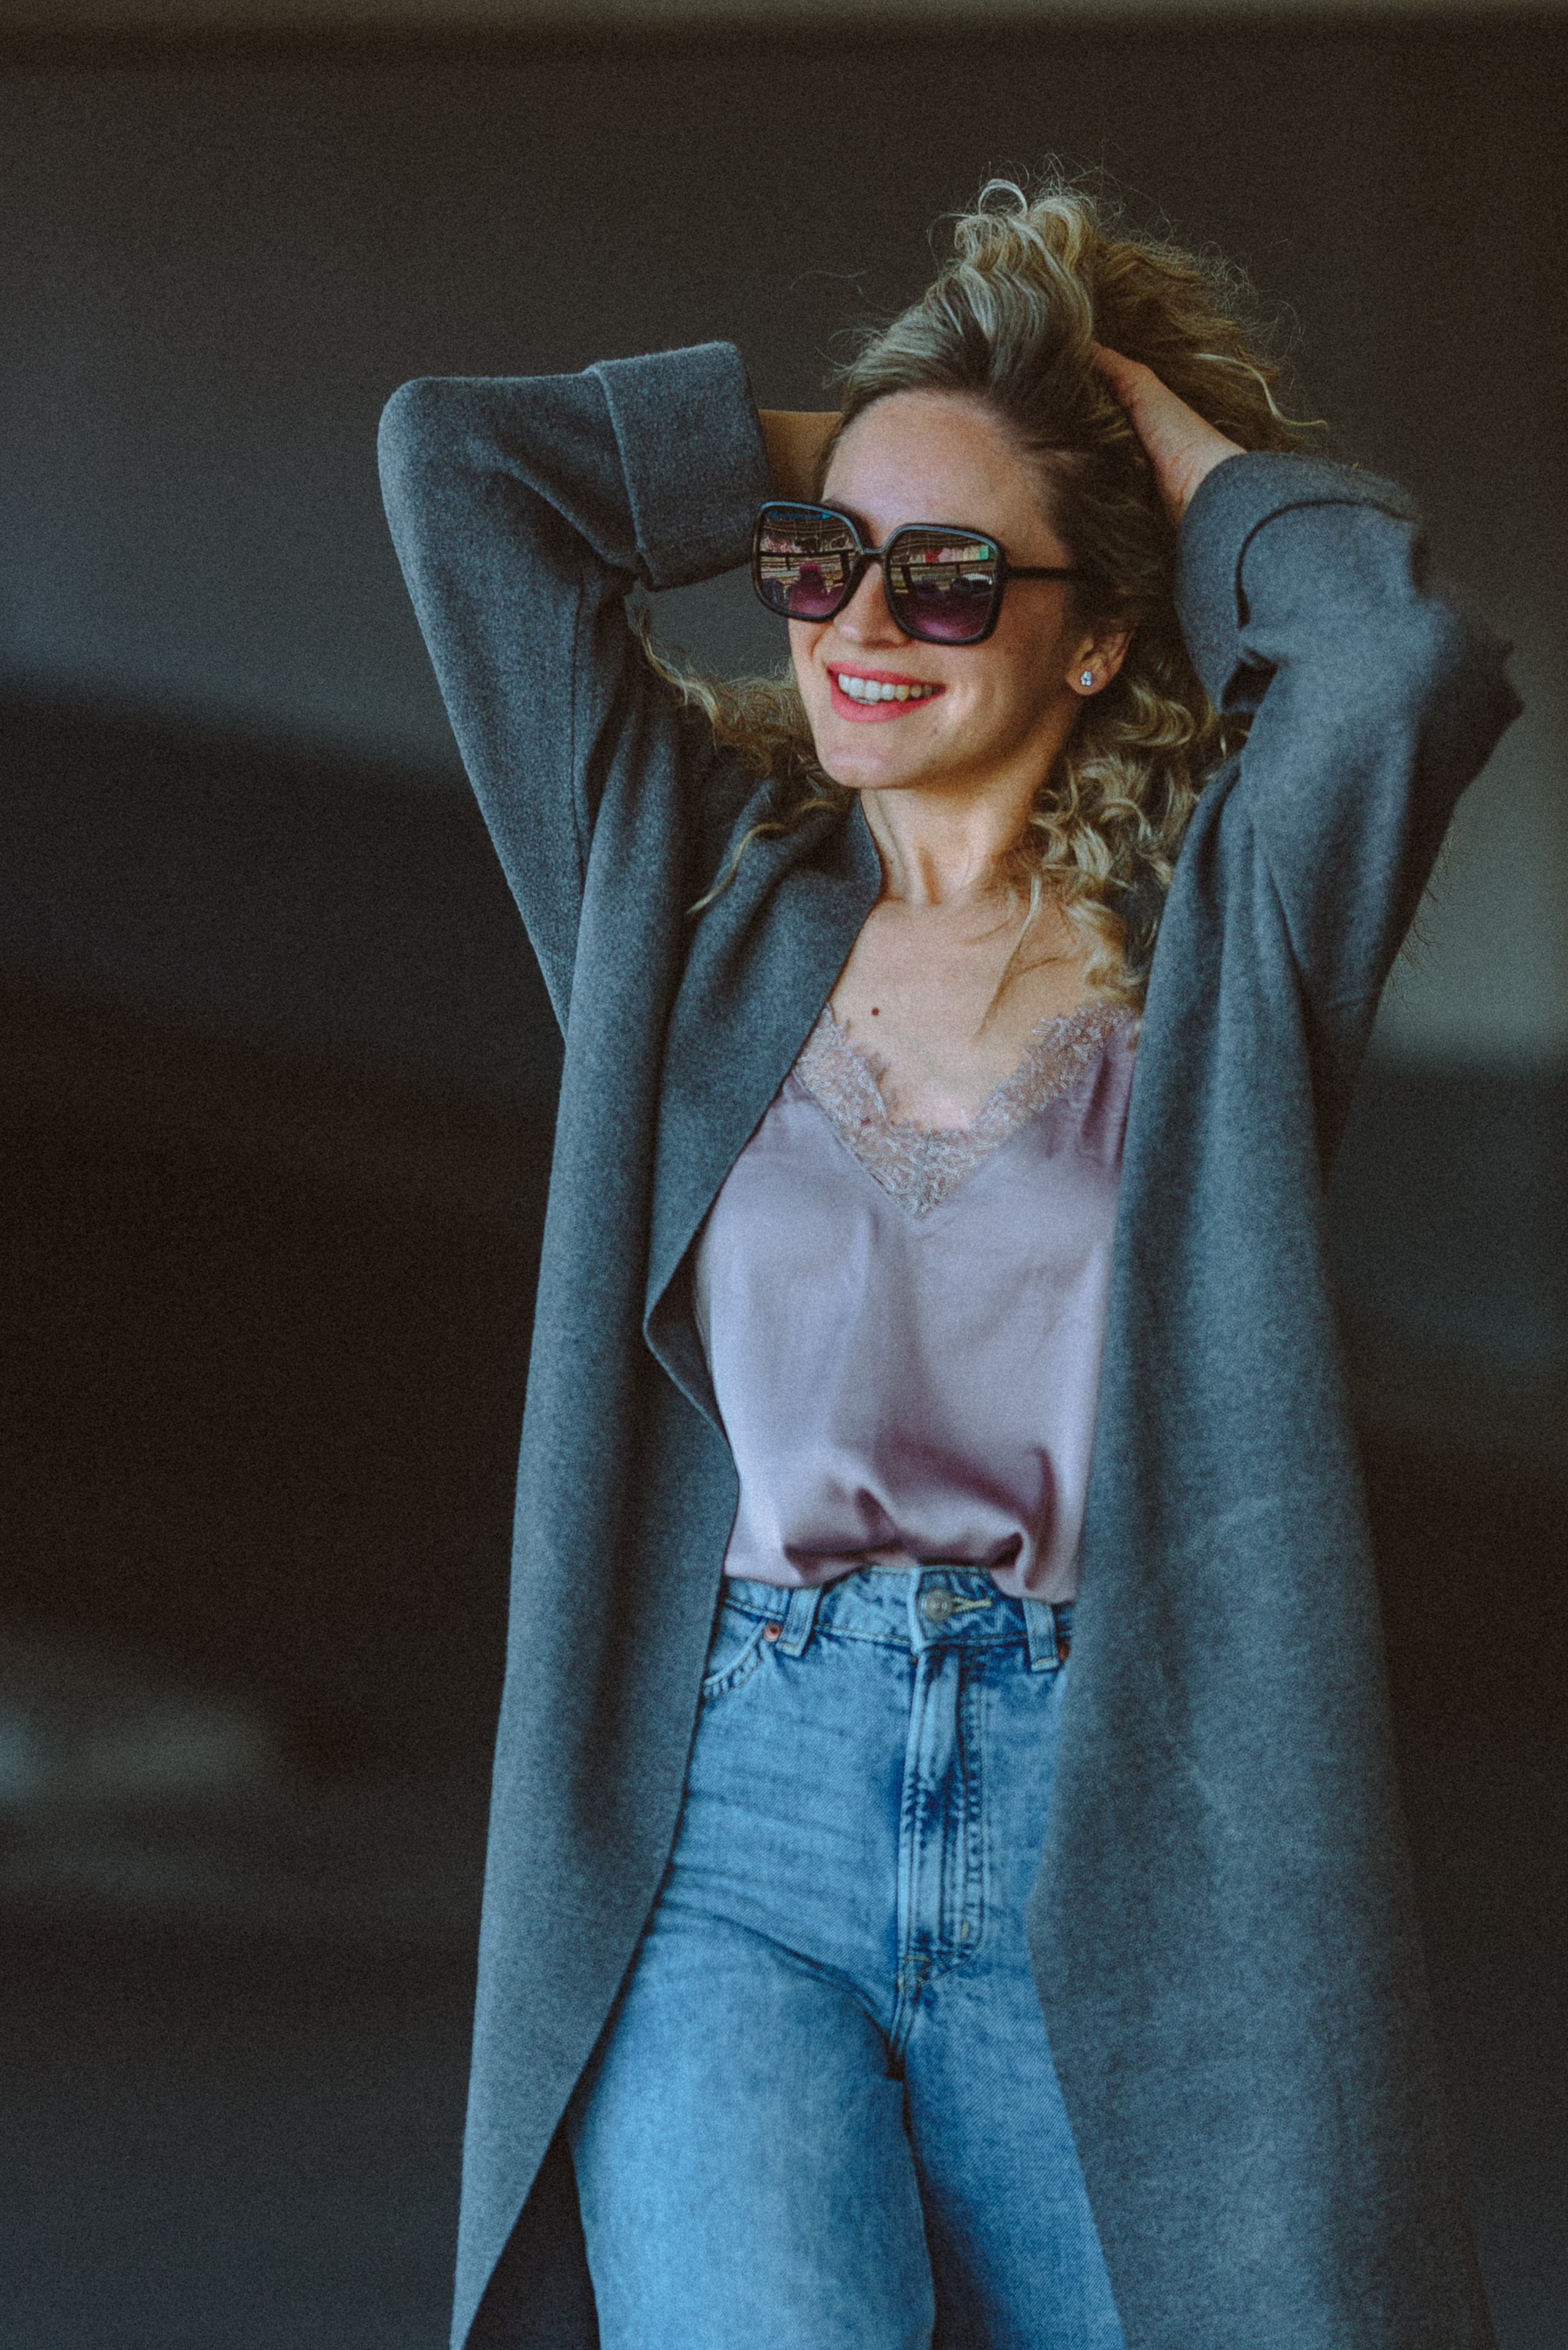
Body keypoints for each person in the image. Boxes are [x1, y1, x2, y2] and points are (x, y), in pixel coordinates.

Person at [379, 179, 1517, 2350]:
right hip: (733, 1827)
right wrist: (874, 440)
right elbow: (455, 463)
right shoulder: (678, 895)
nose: (854, 619)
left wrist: (1166, 457)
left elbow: (1401, 660)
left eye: (952, 573)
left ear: (1100, 632)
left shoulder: (1219, 953)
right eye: (820, 567)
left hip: (1113, 1825)